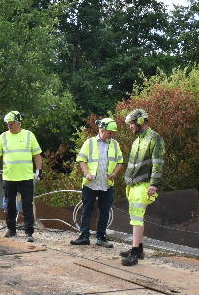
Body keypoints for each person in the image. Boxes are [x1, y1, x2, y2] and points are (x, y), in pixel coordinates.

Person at [121, 108, 165, 266]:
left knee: (137, 218)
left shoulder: (155, 138)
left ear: (140, 122)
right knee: (134, 217)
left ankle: (134, 253)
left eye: (132, 124)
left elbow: (158, 163)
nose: (130, 127)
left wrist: (154, 184)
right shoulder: (138, 139)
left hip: (144, 184)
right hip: (133, 185)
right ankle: (138, 250)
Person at [71, 118, 124, 247]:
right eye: (109, 133)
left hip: (107, 184)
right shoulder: (89, 143)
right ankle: (84, 236)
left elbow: (120, 162)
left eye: (113, 133)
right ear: (102, 130)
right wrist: (87, 173)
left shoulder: (115, 144)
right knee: (86, 210)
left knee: (105, 212)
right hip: (90, 184)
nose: (112, 135)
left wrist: (115, 173)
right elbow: (81, 160)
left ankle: (101, 237)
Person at [0, 110, 43, 240]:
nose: (9, 126)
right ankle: (11, 229)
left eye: (12, 123)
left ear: (18, 123)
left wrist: (39, 170)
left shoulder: (29, 135)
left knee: (27, 204)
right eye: (8, 124)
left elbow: (37, 155)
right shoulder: (3, 137)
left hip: (26, 177)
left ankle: (29, 232)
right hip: (9, 177)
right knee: (9, 205)